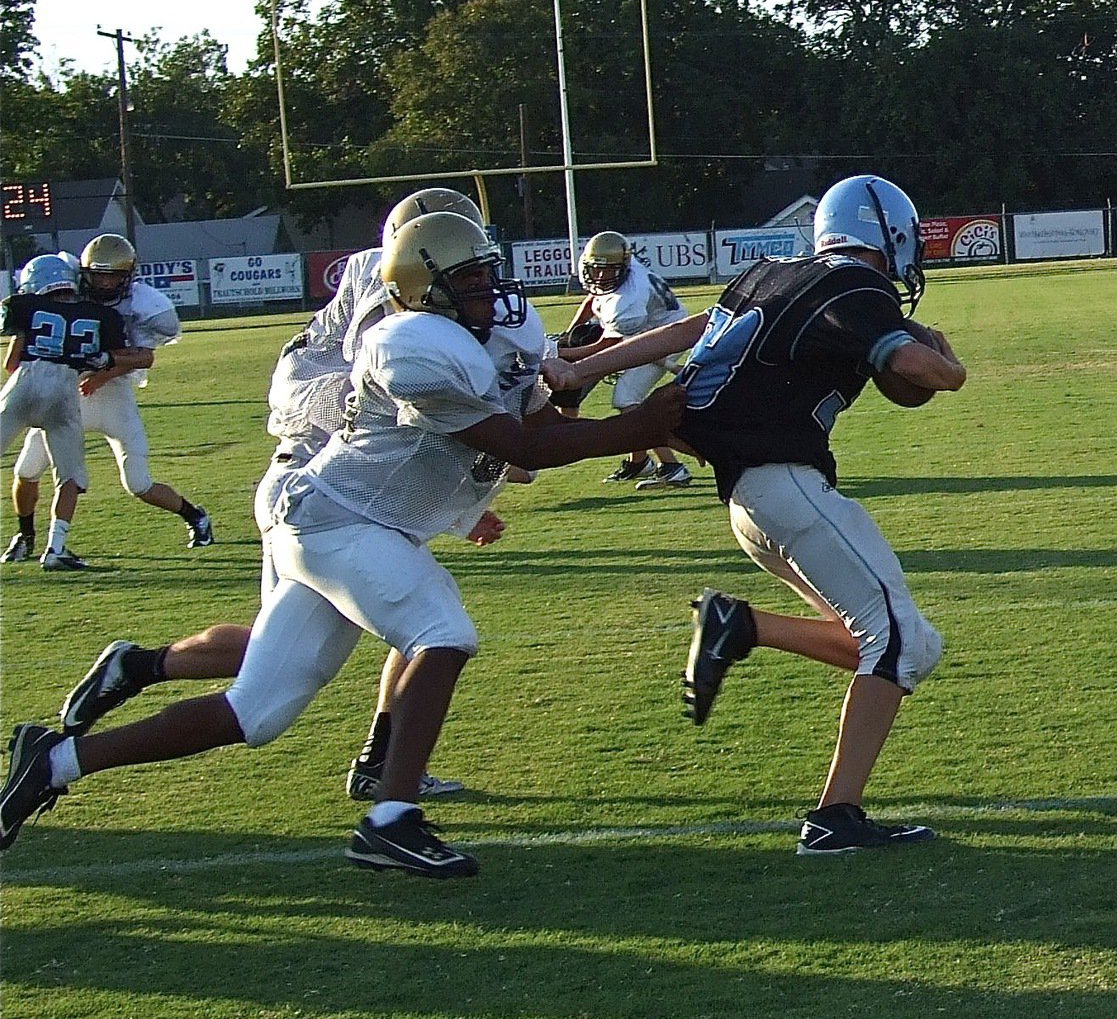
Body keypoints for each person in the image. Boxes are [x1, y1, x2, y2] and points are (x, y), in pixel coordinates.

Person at [0, 211, 684, 878]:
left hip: (351, 520)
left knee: (256, 711)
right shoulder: (407, 345)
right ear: (426, 287)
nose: (489, 292)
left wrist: (581, 399)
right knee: (442, 632)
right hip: (338, 517)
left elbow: (536, 425)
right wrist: (641, 424)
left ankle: (54, 760)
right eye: (470, 281)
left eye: (486, 276)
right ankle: (391, 817)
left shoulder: (491, 335)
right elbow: (518, 444)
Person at [542, 175, 967, 856]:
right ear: (888, 234)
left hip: (749, 503)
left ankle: (739, 625)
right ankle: (835, 818)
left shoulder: (772, 272)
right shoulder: (858, 286)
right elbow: (912, 361)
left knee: (895, 643)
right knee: (899, 640)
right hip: (787, 485)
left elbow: (690, 328)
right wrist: (953, 370)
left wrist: (581, 369)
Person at [55, 188, 509, 800]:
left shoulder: (390, 293)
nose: (479, 279)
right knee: (407, 631)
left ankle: (140, 666)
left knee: (298, 652)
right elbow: (389, 417)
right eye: (466, 263)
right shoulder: (396, 317)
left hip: (333, 485)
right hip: (325, 489)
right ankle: (384, 775)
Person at [2, 234, 212, 563]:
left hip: (113, 397)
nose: (104, 282)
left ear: (128, 275)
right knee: (27, 470)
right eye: (98, 274)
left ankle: (195, 516)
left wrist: (104, 373)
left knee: (138, 483)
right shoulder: (68, 283)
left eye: (113, 275)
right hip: (67, 393)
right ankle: (26, 537)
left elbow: (144, 357)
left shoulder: (143, 305)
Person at [1, 255, 132, 570]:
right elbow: (113, 356)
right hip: (64, 391)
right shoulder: (101, 316)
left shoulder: (23, 305)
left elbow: (11, 364)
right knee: (69, 477)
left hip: (26, 383)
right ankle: (55, 548)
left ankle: (30, 540)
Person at [555, 231, 692, 490]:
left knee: (626, 397)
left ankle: (673, 467)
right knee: (627, 397)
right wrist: (569, 333)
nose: (599, 276)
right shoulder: (618, 271)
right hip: (649, 330)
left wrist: (560, 354)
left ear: (622, 268)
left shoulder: (628, 299)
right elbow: (593, 298)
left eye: (606, 271)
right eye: (595, 270)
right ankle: (639, 461)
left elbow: (609, 346)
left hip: (668, 335)